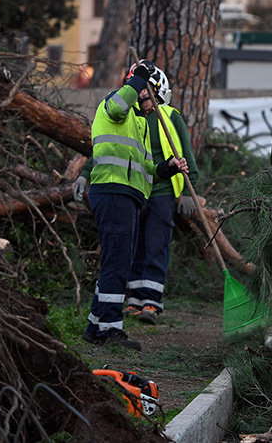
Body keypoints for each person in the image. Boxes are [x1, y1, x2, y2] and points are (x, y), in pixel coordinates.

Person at [81, 60, 188, 349]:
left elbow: (146, 168)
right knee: (117, 263)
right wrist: (138, 79)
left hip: (126, 196)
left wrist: (168, 168)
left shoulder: (138, 123)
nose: (154, 107)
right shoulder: (116, 107)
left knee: (116, 261)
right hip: (114, 192)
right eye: (154, 98)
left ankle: (95, 325)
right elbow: (118, 105)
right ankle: (111, 331)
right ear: (144, 91)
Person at [124, 63, 200, 325]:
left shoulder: (170, 116)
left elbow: (187, 155)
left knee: (156, 244)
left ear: (157, 89)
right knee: (134, 244)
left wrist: (192, 192)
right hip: (136, 189)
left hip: (162, 191)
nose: (141, 94)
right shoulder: (130, 118)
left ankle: (151, 302)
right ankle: (133, 300)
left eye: (145, 89)